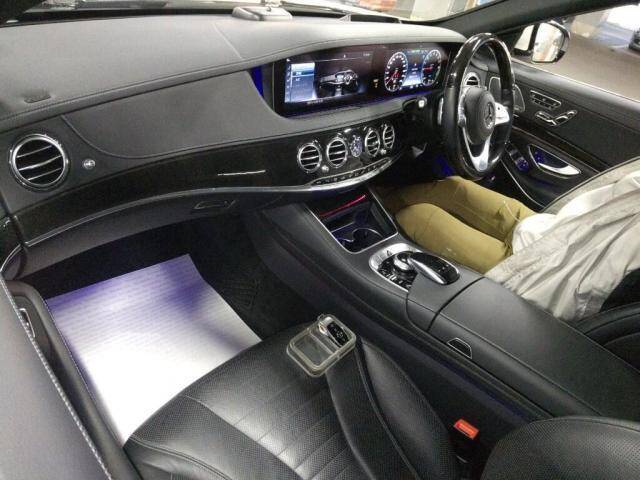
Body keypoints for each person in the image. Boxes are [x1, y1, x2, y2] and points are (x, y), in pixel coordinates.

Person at [382, 167, 640, 322]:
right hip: (547, 231)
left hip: (537, 277)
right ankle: (377, 199)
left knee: (417, 216)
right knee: (454, 186)